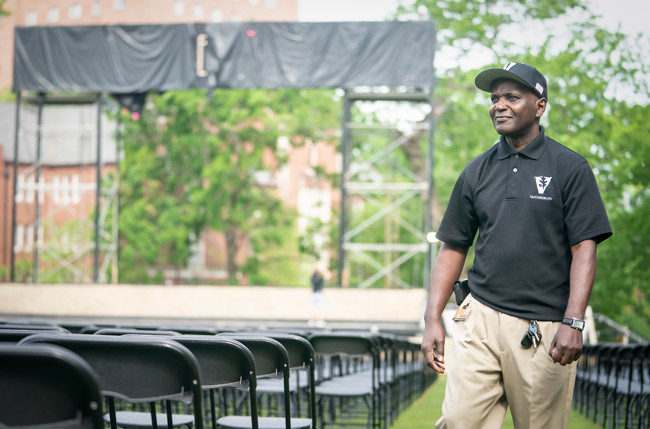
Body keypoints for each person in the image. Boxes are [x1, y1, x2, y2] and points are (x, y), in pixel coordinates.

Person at [421, 61, 612, 429]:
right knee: (459, 421)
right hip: (480, 316)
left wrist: (574, 321)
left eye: (512, 96)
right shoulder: (476, 171)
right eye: (494, 98)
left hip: (544, 325)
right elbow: (453, 247)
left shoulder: (570, 167)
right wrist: (432, 318)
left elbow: (584, 249)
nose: (499, 105)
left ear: (539, 106)